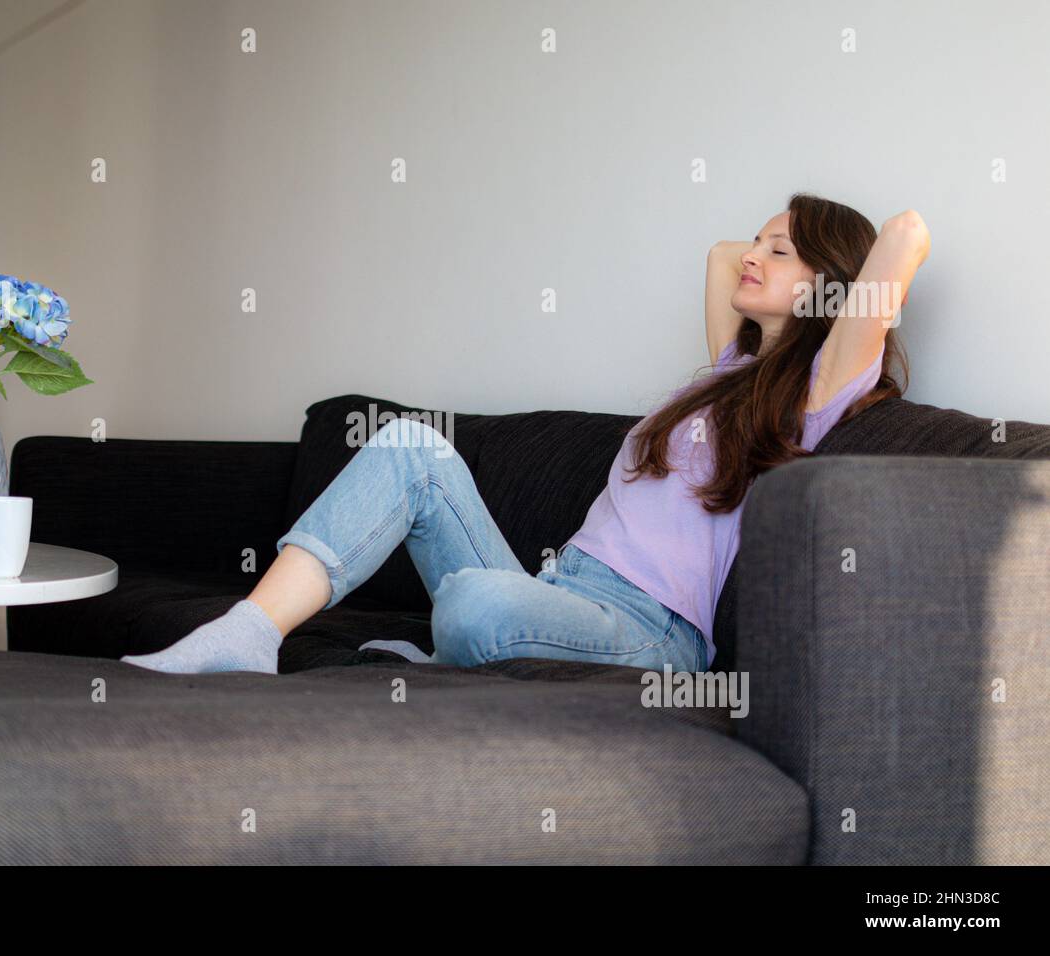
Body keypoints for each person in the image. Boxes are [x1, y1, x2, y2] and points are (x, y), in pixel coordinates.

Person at [122, 192, 929, 676]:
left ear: (827, 284)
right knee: (410, 445)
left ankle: (458, 657)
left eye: (777, 250)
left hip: (654, 634)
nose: (751, 256)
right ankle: (249, 633)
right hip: (562, 591)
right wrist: (776, 247)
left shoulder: (817, 395)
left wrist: (835, 274)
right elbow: (720, 258)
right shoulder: (724, 371)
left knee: (474, 602)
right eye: (759, 240)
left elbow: (903, 242)